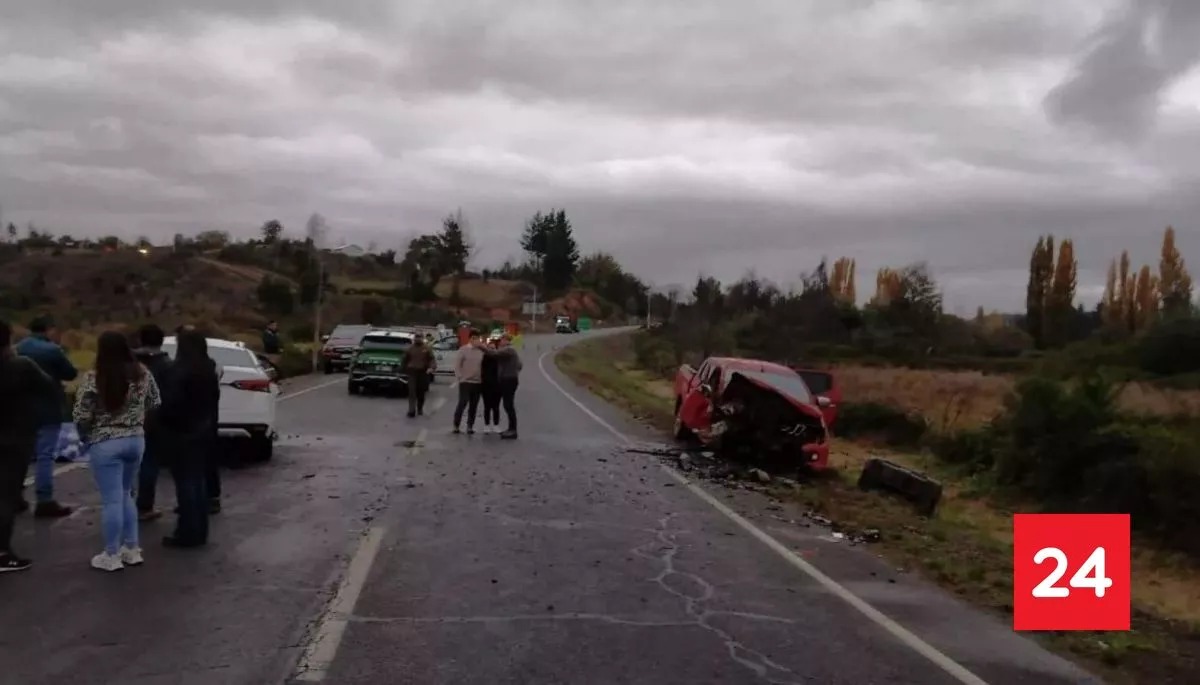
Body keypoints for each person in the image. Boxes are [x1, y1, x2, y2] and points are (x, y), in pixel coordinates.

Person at [73, 331, 161, 572]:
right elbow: (155, 402)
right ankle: (132, 549)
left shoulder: (95, 377)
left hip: (106, 441)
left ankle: (110, 554)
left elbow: (82, 415)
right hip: (135, 439)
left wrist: (85, 437)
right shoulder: (142, 373)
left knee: (112, 499)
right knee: (126, 494)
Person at [0, 319, 56, 572]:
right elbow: (47, 387)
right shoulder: (20, 366)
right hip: (13, 437)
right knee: (6, 495)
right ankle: (2, 551)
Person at [159, 330, 219, 548]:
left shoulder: (178, 371)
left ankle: (186, 531)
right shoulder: (208, 370)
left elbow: (169, 404)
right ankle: (199, 531)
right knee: (198, 482)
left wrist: (164, 423)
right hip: (203, 430)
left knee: (185, 485)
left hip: (181, 432)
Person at [15, 315, 77, 518]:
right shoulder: (52, 350)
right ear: (48, 330)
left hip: (21, 409)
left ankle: (14, 497)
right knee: (44, 455)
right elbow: (70, 373)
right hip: (48, 408)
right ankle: (44, 499)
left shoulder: (18, 348)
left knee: (20, 455)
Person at [133, 325, 173, 521]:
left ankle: (121, 503)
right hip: (155, 420)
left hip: (125, 418)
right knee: (149, 461)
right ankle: (144, 505)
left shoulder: (128, 362)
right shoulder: (166, 365)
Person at [452, 331, 486, 434]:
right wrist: (460, 377)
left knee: (474, 406)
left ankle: (470, 426)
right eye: (475, 338)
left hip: (478, 382)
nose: (477, 340)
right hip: (465, 382)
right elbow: (457, 366)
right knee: (462, 403)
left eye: (478, 338)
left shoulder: (481, 351)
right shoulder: (463, 350)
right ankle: (456, 425)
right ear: (470, 339)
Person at [492, 335, 523, 439]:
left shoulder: (509, 350)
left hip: (508, 379)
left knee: (508, 405)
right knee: (508, 405)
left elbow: (493, 354)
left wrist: (481, 347)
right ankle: (511, 428)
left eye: (501, 340)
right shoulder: (511, 351)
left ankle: (513, 430)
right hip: (510, 379)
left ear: (506, 340)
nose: (500, 342)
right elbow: (520, 365)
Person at [402, 335, 435, 418]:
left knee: (421, 393)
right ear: (414, 339)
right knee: (412, 392)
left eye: (419, 337)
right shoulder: (410, 348)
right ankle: (411, 410)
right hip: (412, 372)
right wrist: (404, 369)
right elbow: (404, 360)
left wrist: (431, 367)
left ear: (422, 338)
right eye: (416, 337)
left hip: (423, 372)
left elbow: (432, 359)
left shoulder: (426, 348)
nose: (418, 339)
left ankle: (420, 408)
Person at [479, 338, 501, 433]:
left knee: (496, 407)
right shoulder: (484, 358)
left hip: (497, 385)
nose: (492, 350)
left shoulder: (499, 358)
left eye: (493, 348)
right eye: (490, 348)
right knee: (487, 406)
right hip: (486, 385)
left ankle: (496, 425)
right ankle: (486, 425)